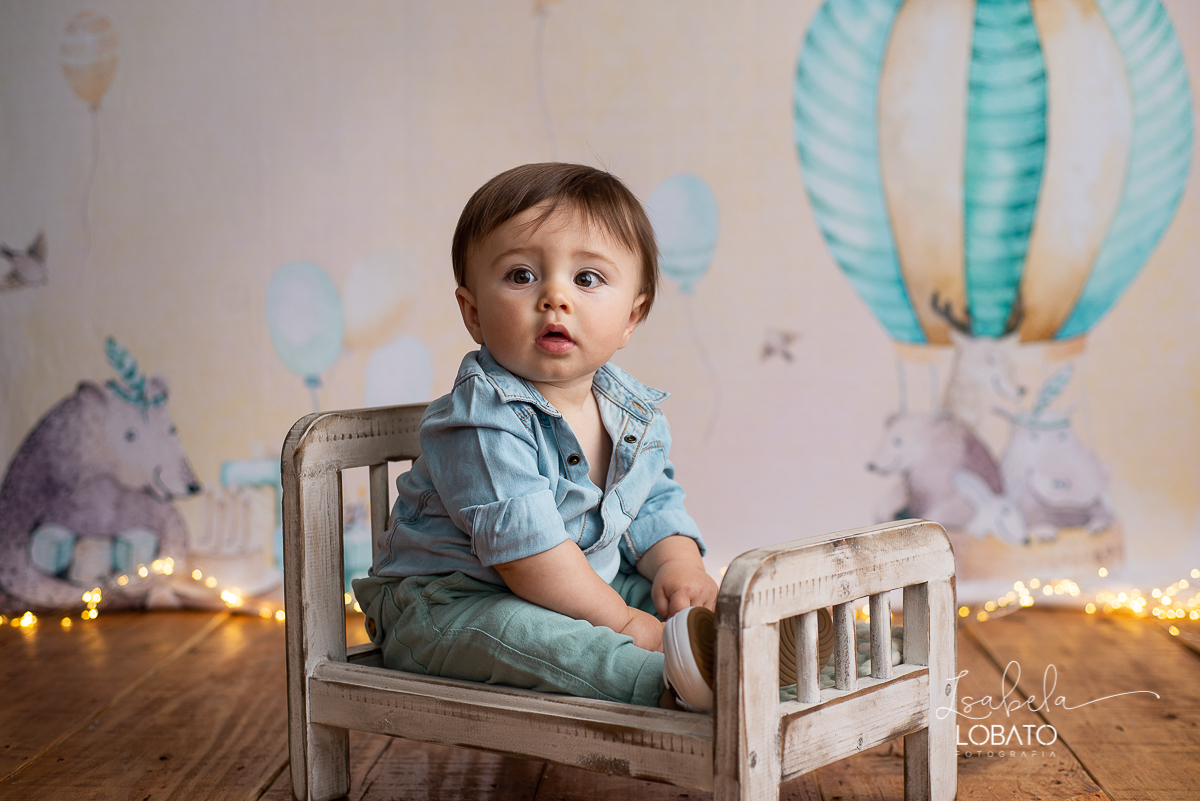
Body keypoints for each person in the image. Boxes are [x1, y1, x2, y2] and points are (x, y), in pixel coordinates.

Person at [353, 163, 721, 711]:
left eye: (587, 279)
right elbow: (529, 557)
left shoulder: (633, 413)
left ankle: (739, 654)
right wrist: (621, 621)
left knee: (677, 607)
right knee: (548, 640)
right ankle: (664, 686)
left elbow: (652, 502)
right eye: (522, 276)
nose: (554, 297)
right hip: (449, 605)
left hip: (572, 589)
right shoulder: (481, 417)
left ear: (631, 317)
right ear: (474, 312)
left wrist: (678, 566)